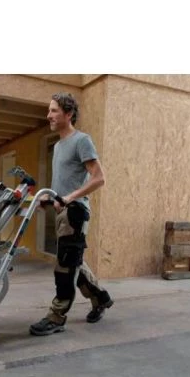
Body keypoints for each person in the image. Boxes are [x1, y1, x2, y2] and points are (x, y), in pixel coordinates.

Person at [29, 92, 113, 336]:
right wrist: (50, 198)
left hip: (75, 212)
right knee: (73, 262)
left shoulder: (81, 141)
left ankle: (56, 317)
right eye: (49, 110)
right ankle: (101, 298)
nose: (49, 115)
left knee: (65, 267)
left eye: (54, 110)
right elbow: (64, 184)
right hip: (62, 211)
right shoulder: (57, 146)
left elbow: (99, 178)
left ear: (69, 114)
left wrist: (70, 198)